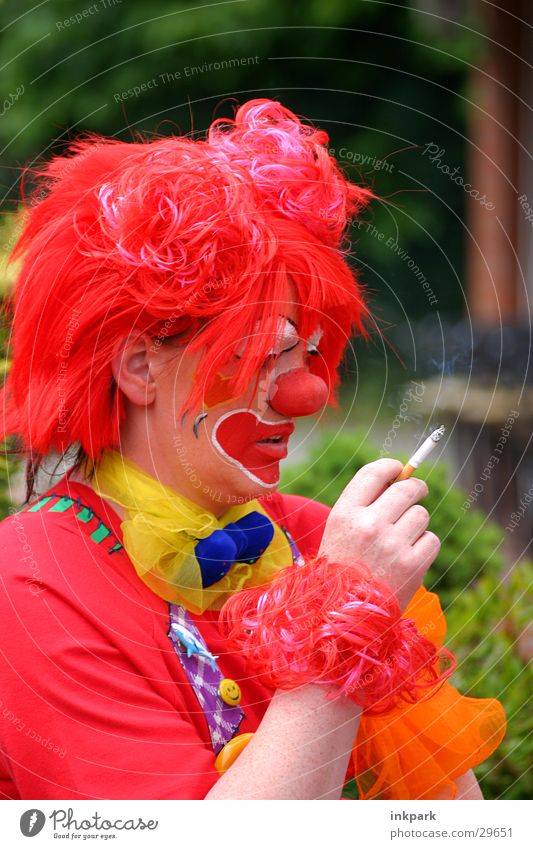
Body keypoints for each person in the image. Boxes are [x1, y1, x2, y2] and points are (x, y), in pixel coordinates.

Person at [0, 99, 505, 800]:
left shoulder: (306, 533)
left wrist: (355, 601)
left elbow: (454, 822)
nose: (302, 393)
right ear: (141, 368)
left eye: (307, 355)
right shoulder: (32, 581)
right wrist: (343, 621)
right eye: (262, 356)